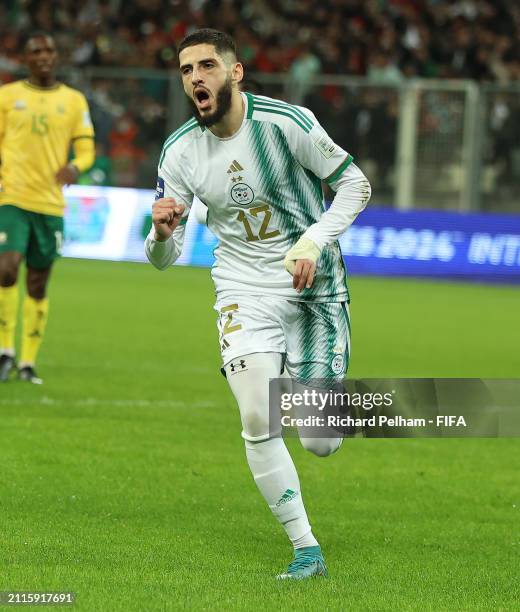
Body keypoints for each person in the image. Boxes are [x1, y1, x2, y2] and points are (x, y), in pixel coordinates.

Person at [145, 28, 371, 579]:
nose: (196, 78)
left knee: (318, 438)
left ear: (235, 72)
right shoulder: (179, 152)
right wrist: (159, 234)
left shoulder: (285, 123)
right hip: (242, 290)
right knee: (256, 413)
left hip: (311, 288)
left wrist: (314, 240)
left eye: (207, 66)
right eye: (186, 70)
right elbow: (161, 260)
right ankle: (306, 549)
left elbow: (355, 185)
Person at [0, 32, 95, 383]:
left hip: (50, 204)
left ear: (56, 57)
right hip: (12, 198)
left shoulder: (73, 101)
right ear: (26, 59)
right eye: (36, 51)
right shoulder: (7, 97)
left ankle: (27, 362)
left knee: (38, 284)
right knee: (7, 269)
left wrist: (76, 167)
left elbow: (86, 149)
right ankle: (4, 350)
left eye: (49, 50)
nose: (44, 56)